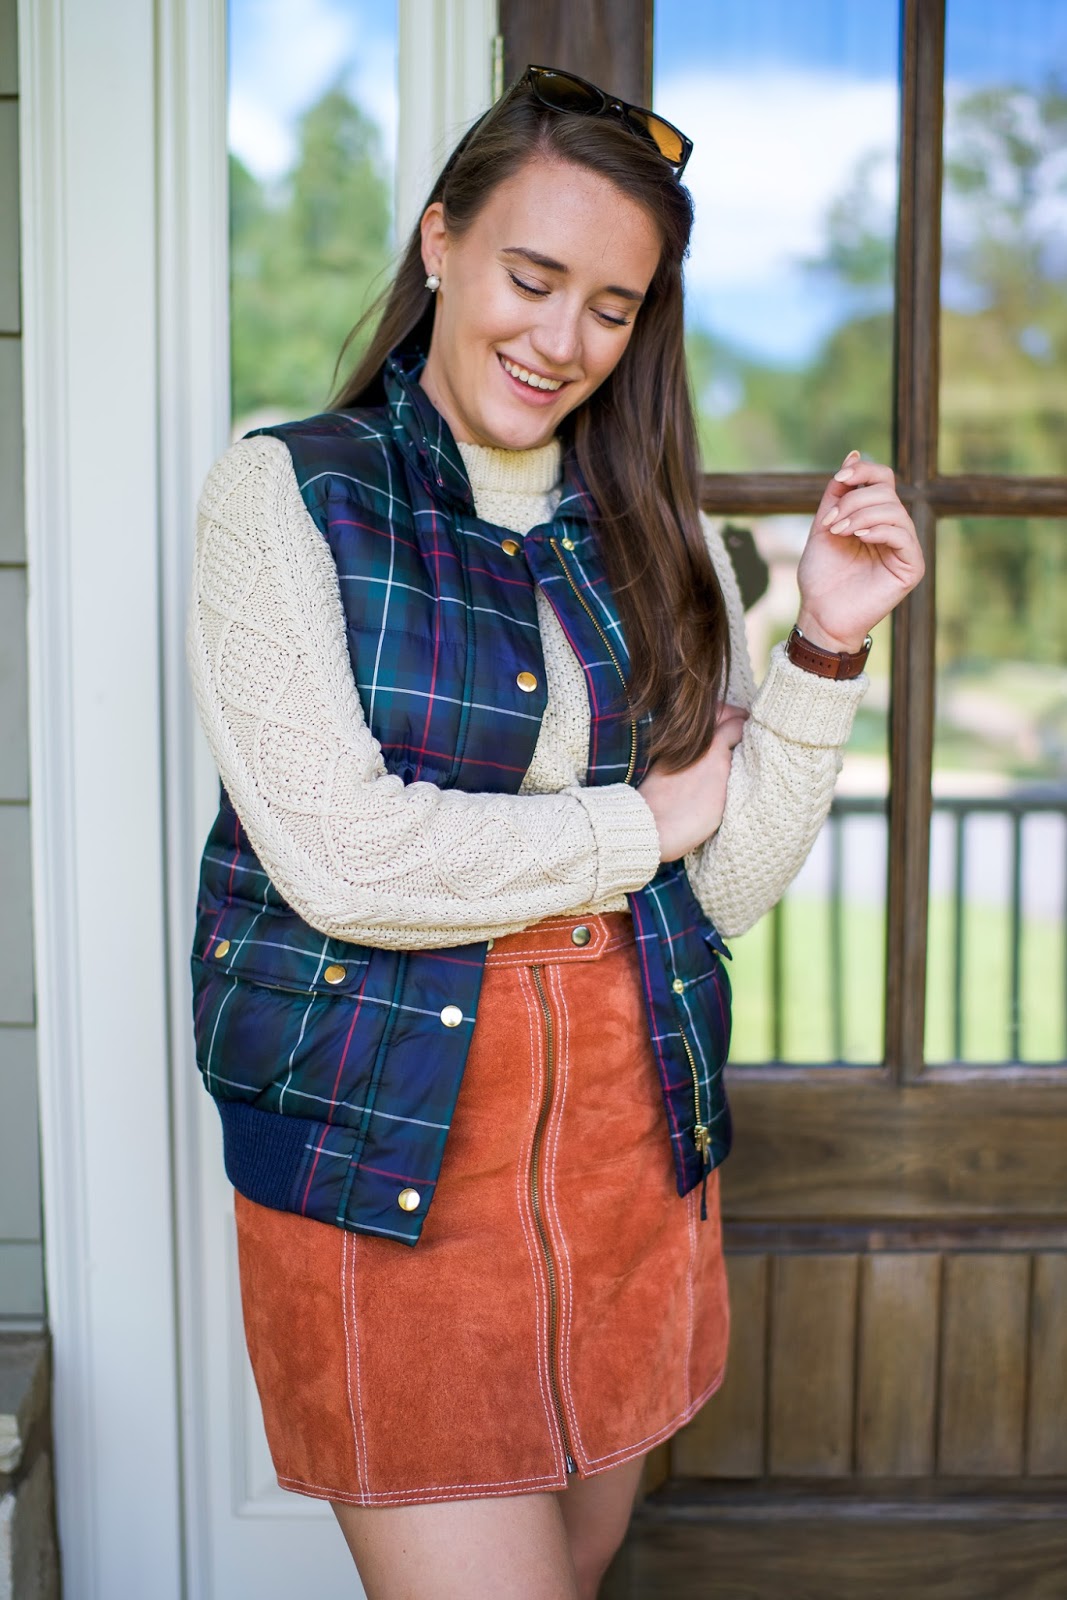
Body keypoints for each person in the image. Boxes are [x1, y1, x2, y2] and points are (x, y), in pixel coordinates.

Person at [186, 62, 923, 1600]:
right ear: (442, 241)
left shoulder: (661, 535)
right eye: (532, 276)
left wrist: (826, 653)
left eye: (612, 304)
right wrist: (639, 815)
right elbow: (349, 862)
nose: (562, 338)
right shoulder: (283, 498)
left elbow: (721, 887)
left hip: (631, 1150)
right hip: (396, 1181)